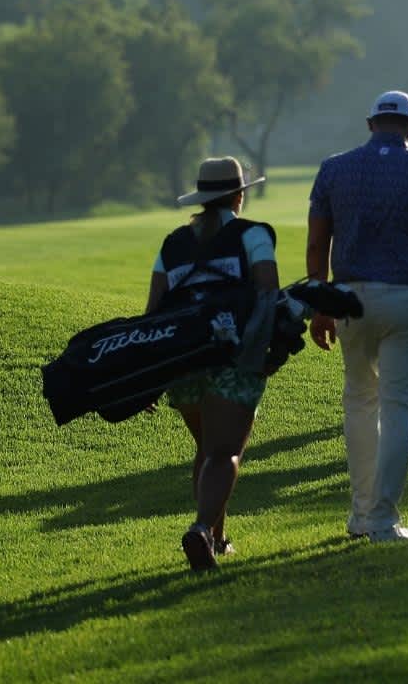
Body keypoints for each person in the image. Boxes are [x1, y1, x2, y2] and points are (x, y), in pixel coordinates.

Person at [307, 90, 408, 544]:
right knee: (398, 406)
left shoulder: (333, 170)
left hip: (349, 298)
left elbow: (318, 245)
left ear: (370, 124)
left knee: (359, 401)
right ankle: (381, 518)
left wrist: (319, 304)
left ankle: (360, 515)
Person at [145, 156, 275, 571]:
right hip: (232, 357)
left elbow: (153, 312)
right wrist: (257, 353)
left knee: (207, 448)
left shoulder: (172, 243)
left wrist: (151, 374)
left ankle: (218, 538)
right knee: (225, 452)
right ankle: (201, 529)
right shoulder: (252, 235)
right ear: (239, 196)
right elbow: (268, 292)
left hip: (183, 360)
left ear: (202, 198)